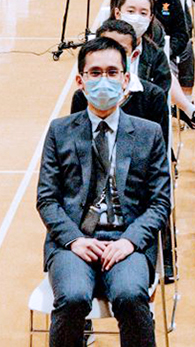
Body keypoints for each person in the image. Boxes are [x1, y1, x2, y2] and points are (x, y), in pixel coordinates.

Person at [36, 37, 170, 347]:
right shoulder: (59, 131)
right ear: (80, 81)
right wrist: (74, 239)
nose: (104, 80)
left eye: (112, 72)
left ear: (125, 79)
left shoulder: (149, 133)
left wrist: (130, 241)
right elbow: (47, 198)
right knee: (72, 298)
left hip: (126, 242)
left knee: (129, 296)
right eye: (95, 73)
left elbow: (161, 202)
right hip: (74, 242)